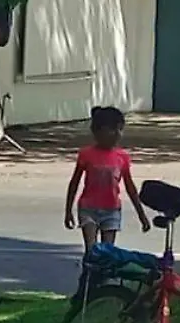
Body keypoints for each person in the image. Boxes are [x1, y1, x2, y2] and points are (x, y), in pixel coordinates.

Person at [64, 106, 149, 252]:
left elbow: (130, 187)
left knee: (107, 252)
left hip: (112, 210)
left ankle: (103, 275)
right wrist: (68, 211)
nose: (117, 134)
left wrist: (142, 215)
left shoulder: (122, 157)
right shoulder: (86, 154)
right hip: (88, 209)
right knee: (92, 250)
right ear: (97, 132)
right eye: (112, 130)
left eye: (120, 129)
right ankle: (89, 273)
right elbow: (74, 183)